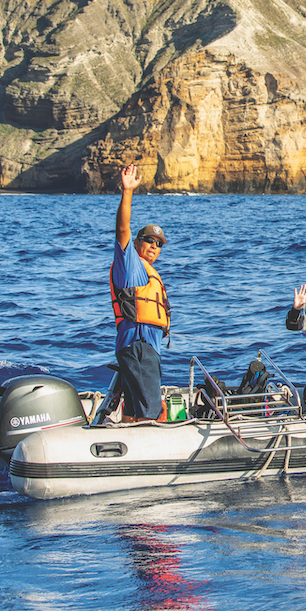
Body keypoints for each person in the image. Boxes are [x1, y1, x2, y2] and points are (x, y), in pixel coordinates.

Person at [110, 163, 171, 422]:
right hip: (138, 346)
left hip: (144, 349)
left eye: (158, 244)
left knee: (135, 411)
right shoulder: (129, 264)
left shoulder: (148, 271)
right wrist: (128, 192)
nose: (154, 246)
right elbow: (122, 230)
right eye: (149, 240)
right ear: (137, 243)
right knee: (149, 413)